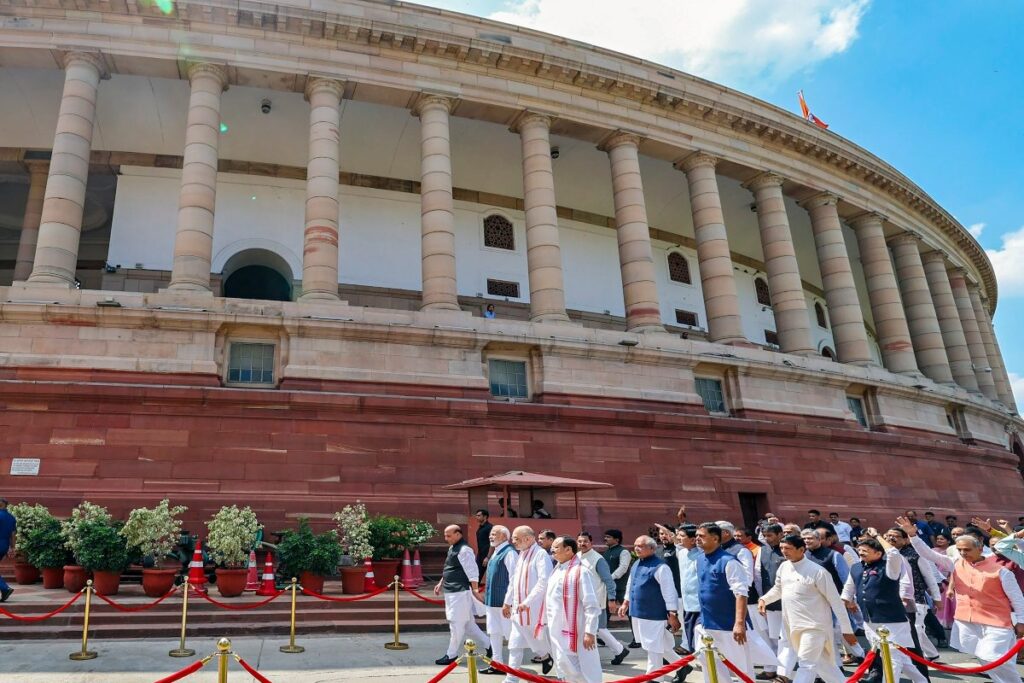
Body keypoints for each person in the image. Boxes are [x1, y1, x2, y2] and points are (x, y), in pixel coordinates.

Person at [899, 518, 1024, 683]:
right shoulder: (956, 563)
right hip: (966, 621)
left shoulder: (1001, 572)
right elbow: (928, 554)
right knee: (983, 658)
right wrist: (913, 535)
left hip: (997, 622)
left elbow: (1017, 597)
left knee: (991, 656)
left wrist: (1021, 621)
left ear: (980, 548)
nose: (963, 553)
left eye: (967, 549)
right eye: (960, 550)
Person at [759, 534, 856, 683]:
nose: (784, 551)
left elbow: (836, 602)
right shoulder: (784, 567)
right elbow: (778, 589)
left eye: (788, 548)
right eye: (782, 548)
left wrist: (847, 630)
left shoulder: (818, 572)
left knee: (806, 664)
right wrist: (764, 599)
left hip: (815, 627)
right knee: (825, 666)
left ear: (801, 549)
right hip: (791, 625)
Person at [695, 523, 778, 683]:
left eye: (702, 536)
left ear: (715, 538)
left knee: (741, 668)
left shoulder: (729, 561)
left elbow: (741, 593)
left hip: (729, 625)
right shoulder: (700, 560)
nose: (698, 539)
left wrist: (739, 623)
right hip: (707, 625)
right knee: (711, 666)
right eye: (697, 535)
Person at [841, 532, 927, 683]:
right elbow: (848, 589)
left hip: (892, 621)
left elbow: (893, 553)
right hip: (869, 620)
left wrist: (877, 536)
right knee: (901, 660)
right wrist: (845, 603)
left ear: (878, 553)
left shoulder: (889, 567)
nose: (861, 553)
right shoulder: (856, 567)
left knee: (892, 658)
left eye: (865, 551)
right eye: (860, 550)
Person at [619, 536, 690, 683]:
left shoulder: (661, 567)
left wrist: (672, 613)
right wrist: (626, 602)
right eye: (635, 545)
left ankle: (654, 678)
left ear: (652, 548)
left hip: (654, 614)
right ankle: (682, 666)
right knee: (658, 645)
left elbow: (669, 591)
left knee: (653, 647)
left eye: (641, 546)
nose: (637, 548)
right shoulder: (636, 563)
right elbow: (630, 584)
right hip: (638, 612)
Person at [546, 536, 602, 683]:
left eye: (556, 547)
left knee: (584, 668)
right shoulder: (556, 570)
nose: (552, 549)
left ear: (568, 550)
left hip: (578, 630)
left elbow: (591, 605)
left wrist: (589, 632)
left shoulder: (581, 572)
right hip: (557, 630)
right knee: (564, 664)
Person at [434, 525, 491, 665]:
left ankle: (451, 654)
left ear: (458, 534)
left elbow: (472, 571)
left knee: (456, 624)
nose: (446, 538)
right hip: (452, 591)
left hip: (459, 592)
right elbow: (449, 567)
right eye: (445, 535)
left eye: (449, 535)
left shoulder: (465, 550)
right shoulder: (453, 548)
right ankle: (490, 646)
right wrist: (441, 582)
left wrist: (476, 591)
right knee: (469, 626)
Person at [502, 526, 554, 681]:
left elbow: (544, 582)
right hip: (519, 609)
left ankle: (548, 657)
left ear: (528, 538)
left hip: (535, 608)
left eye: (516, 539)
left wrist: (528, 601)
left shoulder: (540, 555)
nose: (513, 542)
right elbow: (514, 581)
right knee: (514, 644)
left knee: (538, 638)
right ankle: (512, 678)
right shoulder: (522, 554)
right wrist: (507, 602)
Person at [885, 526, 941, 660]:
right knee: (915, 630)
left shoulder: (915, 555)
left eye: (895, 536)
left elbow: (930, 578)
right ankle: (933, 654)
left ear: (905, 540)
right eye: (888, 535)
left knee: (915, 629)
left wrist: (937, 598)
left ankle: (918, 662)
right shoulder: (883, 554)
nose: (890, 538)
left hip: (916, 599)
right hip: (894, 599)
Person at [577, 532, 629, 664]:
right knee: (597, 629)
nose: (582, 544)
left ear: (591, 543)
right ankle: (619, 650)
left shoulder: (598, 559)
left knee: (597, 628)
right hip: (581, 600)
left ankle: (616, 650)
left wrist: (611, 599)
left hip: (596, 601)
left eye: (585, 541)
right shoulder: (576, 557)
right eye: (580, 541)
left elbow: (609, 581)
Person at [479, 525, 517, 675]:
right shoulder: (495, 552)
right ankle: (497, 664)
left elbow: (514, 579)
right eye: (491, 534)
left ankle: (514, 667)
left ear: (504, 536)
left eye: (494, 534)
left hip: (503, 602)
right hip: (492, 601)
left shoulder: (509, 553)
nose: (491, 536)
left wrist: (508, 601)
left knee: (510, 634)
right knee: (494, 632)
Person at [756, 524, 787, 682]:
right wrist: (763, 598)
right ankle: (774, 669)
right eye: (765, 535)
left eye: (770, 535)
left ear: (780, 534)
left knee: (789, 639)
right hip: (772, 602)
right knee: (775, 638)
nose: (767, 539)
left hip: (790, 602)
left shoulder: (789, 549)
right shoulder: (763, 550)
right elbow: (759, 575)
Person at [675, 525, 702, 654]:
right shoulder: (681, 553)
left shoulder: (702, 555)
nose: (678, 538)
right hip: (687, 602)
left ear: (692, 540)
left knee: (701, 635)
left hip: (701, 603)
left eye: (682, 536)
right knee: (690, 634)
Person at [0, 497, 15, 602]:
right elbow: (13, 534)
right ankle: (4, 589)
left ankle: (5, 588)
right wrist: (12, 547)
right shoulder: (11, 517)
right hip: (5, 544)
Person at [475, 509, 494, 575]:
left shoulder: (490, 527)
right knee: (476, 576)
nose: (476, 517)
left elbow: (492, 543)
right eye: (476, 515)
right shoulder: (481, 527)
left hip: (488, 556)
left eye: (479, 515)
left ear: (485, 517)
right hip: (480, 555)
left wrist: (488, 557)